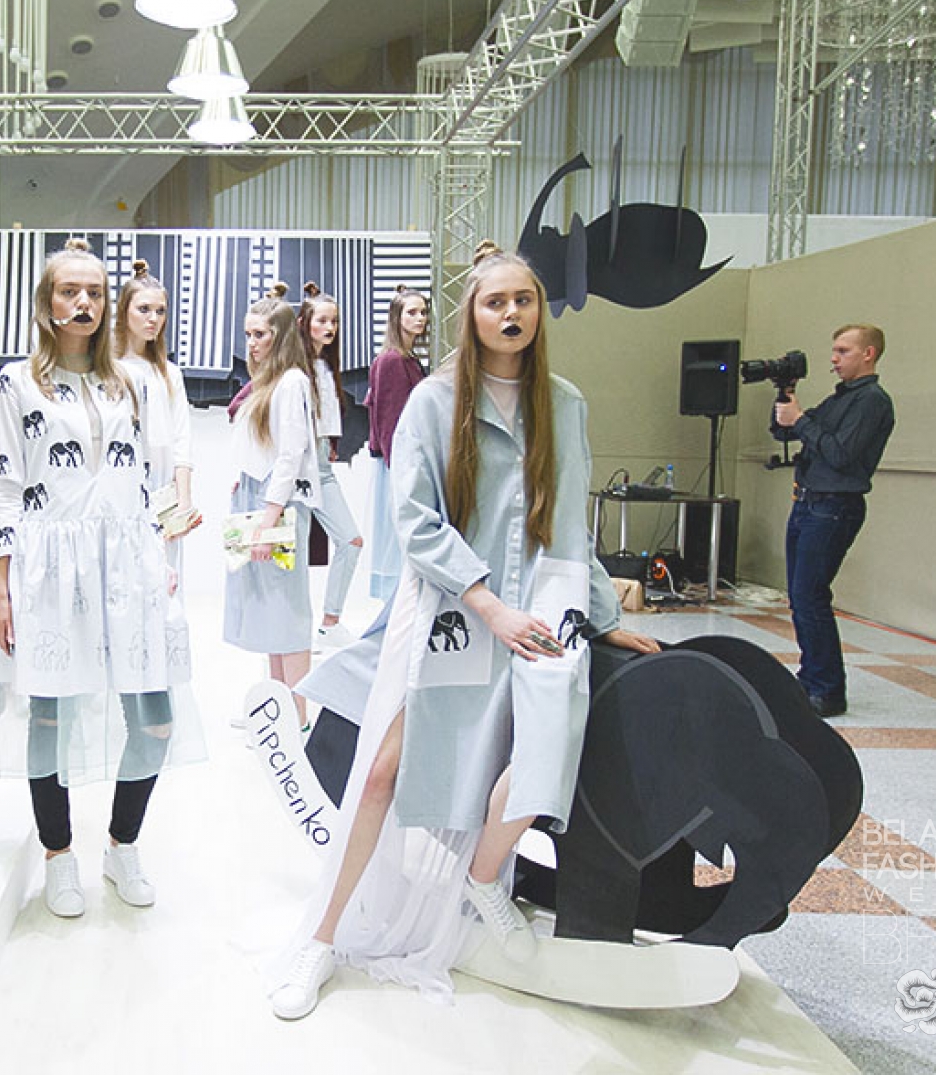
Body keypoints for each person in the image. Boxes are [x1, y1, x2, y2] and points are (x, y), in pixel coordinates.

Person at [268, 243, 658, 1020]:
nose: (511, 313)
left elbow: (570, 524)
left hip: (542, 607)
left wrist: (604, 618)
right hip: (452, 608)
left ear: (538, 312)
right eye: (494, 301)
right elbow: (415, 521)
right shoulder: (434, 401)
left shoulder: (566, 404)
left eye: (523, 300)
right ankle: (322, 936)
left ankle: (483, 880)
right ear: (471, 315)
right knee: (383, 774)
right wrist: (487, 604)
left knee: (545, 750)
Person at [0, 239, 198, 918]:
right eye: (69, 291)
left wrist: (162, 550)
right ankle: (58, 855)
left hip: (129, 562)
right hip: (51, 565)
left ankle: (121, 845)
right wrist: (1, 585)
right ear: (46, 302)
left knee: (156, 720)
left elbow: (147, 475)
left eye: (95, 293)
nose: (83, 302)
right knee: (51, 715)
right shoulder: (17, 384)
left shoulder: (131, 382)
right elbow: (4, 486)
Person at [772, 323, 895, 718]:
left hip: (833, 507)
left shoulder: (872, 401)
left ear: (868, 354)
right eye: (835, 350)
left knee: (811, 596)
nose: (834, 358)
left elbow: (841, 454)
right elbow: (784, 431)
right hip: (808, 503)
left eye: (843, 351)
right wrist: (785, 397)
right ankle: (811, 678)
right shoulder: (839, 399)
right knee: (800, 597)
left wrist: (800, 420)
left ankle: (827, 689)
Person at [224, 283, 321, 728]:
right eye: (248, 334)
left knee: (287, 612)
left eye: (260, 334)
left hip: (275, 505)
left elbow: (291, 455)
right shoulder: (267, 381)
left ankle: (297, 716)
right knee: (266, 612)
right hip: (257, 499)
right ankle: (277, 710)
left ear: (280, 336)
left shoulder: (292, 381)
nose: (252, 343)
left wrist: (268, 518)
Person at [113, 259, 200, 574]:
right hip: (117, 485)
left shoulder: (169, 373)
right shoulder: (107, 369)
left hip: (162, 487)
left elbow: (181, 438)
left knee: (165, 573)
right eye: (144, 309)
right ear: (124, 311)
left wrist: (184, 499)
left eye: (160, 311)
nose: (153, 319)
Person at [298, 283, 364, 649]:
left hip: (322, 465)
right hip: (298, 469)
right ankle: (297, 629)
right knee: (290, 554)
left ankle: (329, 623)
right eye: (322, 320)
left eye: (334, 321)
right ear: (305, 323)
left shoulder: (325, 366)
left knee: (351, 541)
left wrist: (332, 445)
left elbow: (326, 415)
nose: (330, 327)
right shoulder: (294, 367)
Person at [364, 286, 431, 600]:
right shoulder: (392, 361)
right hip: (397, 463)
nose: (420, 318)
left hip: (406, 460)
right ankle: (394, 602)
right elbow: (389, 419)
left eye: (423, 312)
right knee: (396, 534)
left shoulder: (408, 360)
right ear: (397, 317)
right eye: (412, 312)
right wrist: (399, 468)